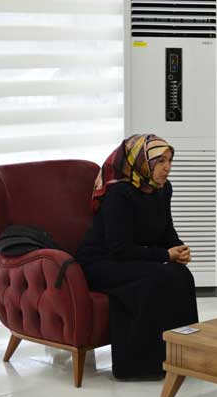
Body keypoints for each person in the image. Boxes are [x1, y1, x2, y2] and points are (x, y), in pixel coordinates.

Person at [77, 134, 198, 381]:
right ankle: (139, 366)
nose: (167, 167)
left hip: (130, 259)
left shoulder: (162, 189)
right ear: (142, 162)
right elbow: (119, 248)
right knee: (157, 277)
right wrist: (164, 255)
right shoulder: (119, 193)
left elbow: (166, 231)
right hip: (100, 263)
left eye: (170, 161)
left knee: (181, 275)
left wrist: (177, 248)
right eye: (160, 161)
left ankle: (184, 356)